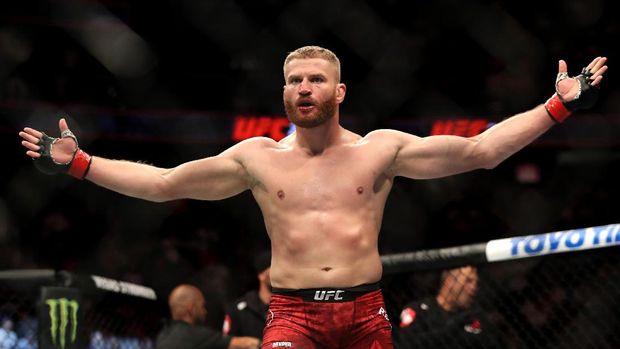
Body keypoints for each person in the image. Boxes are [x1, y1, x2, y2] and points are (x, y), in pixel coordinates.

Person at [19, 46, 607, 349]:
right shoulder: (256, 158)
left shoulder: (381, 150)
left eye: (316, 79)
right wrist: (82, 165)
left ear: (339, 90)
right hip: (293, 315)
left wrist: (557, 106)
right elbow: (165, 183)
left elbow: (480, 151)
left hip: (365, 311)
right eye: (295, 80)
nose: (305, 88)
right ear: (283, 92)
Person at [394, 266, 502, 348]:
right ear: (450, 282)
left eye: (475, 283)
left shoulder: (477, 317)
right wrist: (457, 325)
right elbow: (408, 343)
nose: (474, 287)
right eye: (468, 281)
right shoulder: (418, 309)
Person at [155, 284, 260, 349]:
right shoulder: (194, 335)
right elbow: (246, 344)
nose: (205, 312)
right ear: (192, 308)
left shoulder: (162, 336)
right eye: (202, 306)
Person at [223, 251, 272, 339]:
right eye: (273, 268)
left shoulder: (292, 306)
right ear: (261, 275)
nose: (280, 273)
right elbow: (228, 343)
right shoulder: (238, 310)